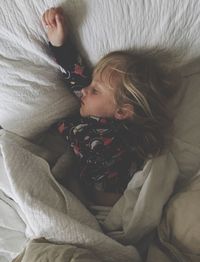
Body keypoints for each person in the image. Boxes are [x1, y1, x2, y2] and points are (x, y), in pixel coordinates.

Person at [42, 7, 179, 207]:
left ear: (122, 111)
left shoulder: (109, 140)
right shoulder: (107, 117)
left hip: (108, 210)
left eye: (95, 90)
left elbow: (70, 130)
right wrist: (59, 43)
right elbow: (79, 79)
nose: (85, 91)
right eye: (92, 85)